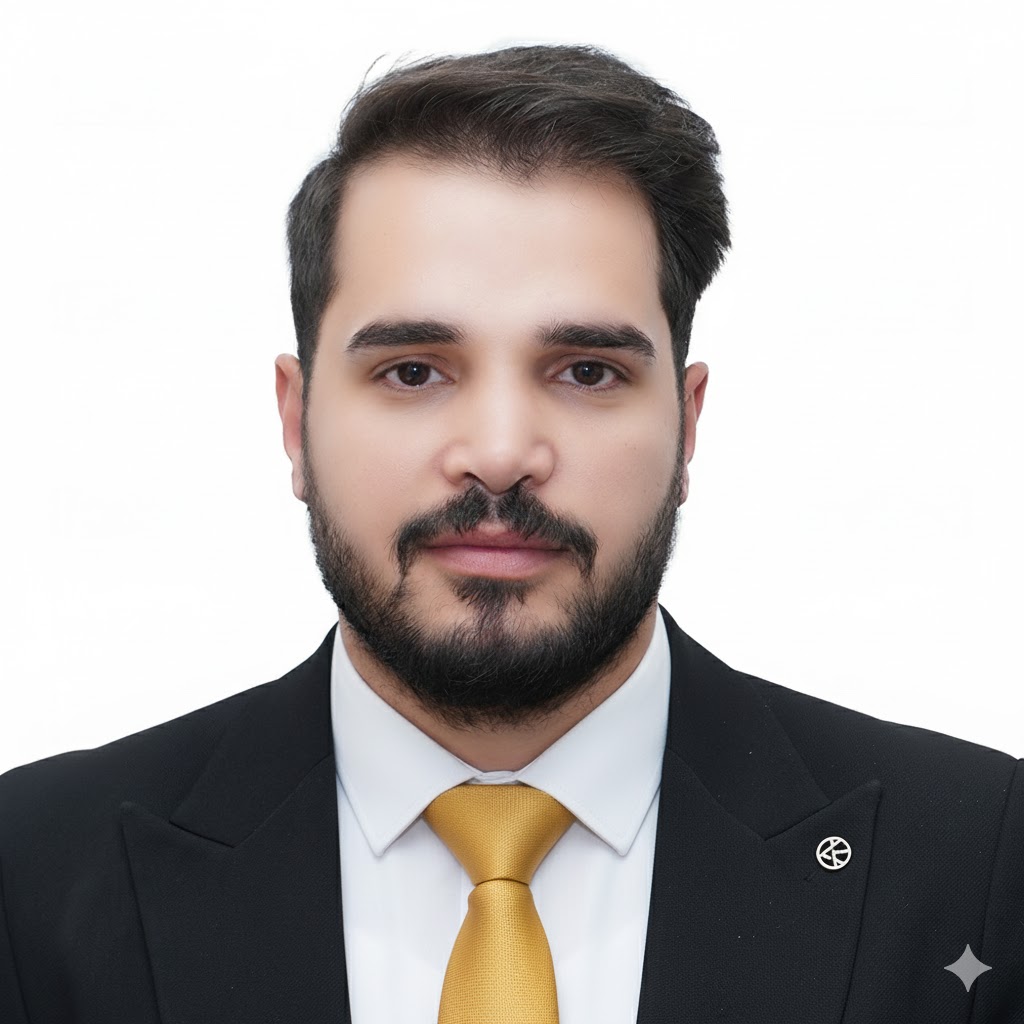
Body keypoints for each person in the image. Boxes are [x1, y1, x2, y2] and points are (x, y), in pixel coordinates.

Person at [0, 42, 1021, 1024]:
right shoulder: (32, 875)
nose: (498, 453)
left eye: (587, 371)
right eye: (412, 371)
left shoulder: (978, 864)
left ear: (687, 422)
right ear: (296, 422)